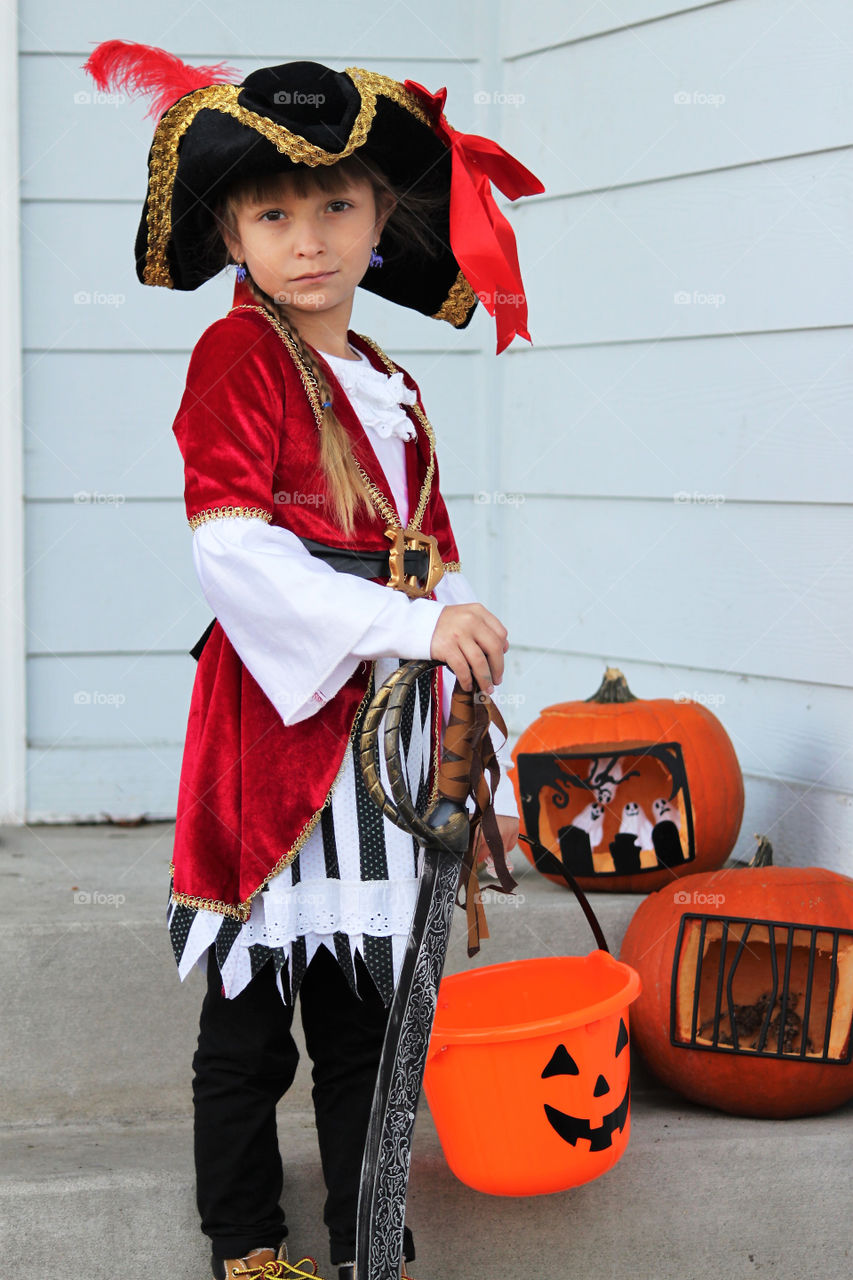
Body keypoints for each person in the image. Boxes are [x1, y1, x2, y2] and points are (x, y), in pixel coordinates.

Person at [83, 43, 544, 1280]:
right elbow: (235, 559)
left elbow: (423, 564)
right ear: (234, 233)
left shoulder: (386, 383)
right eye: (275, 213)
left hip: (387, 759)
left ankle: (368, 1241)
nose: (309, 238)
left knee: (366, 1026)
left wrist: (459, 650)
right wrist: (411, 624)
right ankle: (248, 1241)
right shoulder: (238, 359)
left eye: (337, 205)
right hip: (279, 750)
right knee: (250, 1022)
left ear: (379, 219)